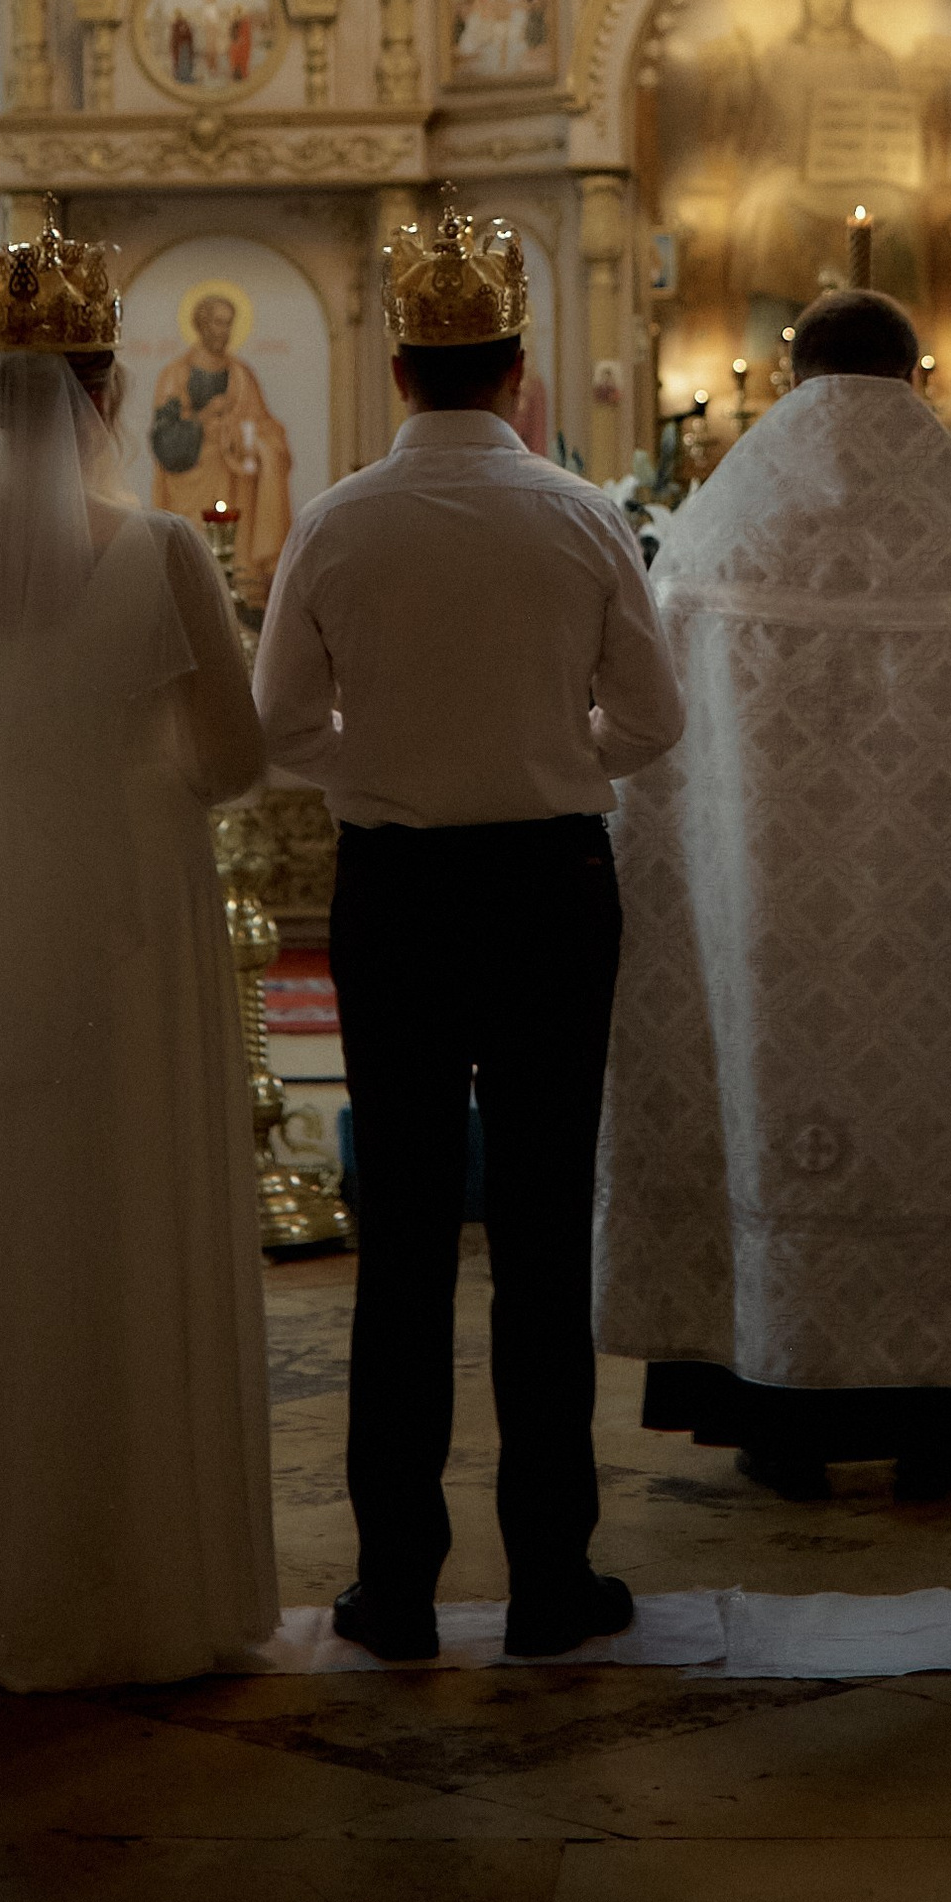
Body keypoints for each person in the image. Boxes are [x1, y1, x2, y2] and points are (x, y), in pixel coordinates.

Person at [0, 215, 277, 1688]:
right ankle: (139, 1589)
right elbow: (231, 755)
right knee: (125, 1218)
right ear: (102, 395)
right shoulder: (156, 551)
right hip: (128, 934)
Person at [255, 209, 682, 1664]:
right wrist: (552, 749)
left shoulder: (336, 520)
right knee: (547, 1231)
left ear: (395, 370)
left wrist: (378, 758)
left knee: (408, 1238)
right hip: (555, 887)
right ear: (517, 371)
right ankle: (552, 1581)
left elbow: (274, 727)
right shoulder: (575, 514)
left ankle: (397, 1591)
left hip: (398, 894)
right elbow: (658, 721)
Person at [596, 283, 951, 1505]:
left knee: (767, 1107)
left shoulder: (707, 545)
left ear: (791, 374)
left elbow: (645, 761)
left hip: (762, 936)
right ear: (918, 381)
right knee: (939, 1120)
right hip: (938, 931)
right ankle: (937, 1414)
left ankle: (776, 1408)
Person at [150, 285, 296, 592]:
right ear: (201, 324)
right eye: (218, 322)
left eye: (229, 322)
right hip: (190, 484)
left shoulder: (243, 375)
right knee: (192, 575)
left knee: (235, 575)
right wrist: (203, 423)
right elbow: (164, 438)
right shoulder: (175, 374)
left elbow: (264, 425)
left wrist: (260, 442)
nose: (225, 330)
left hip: (236, 483)